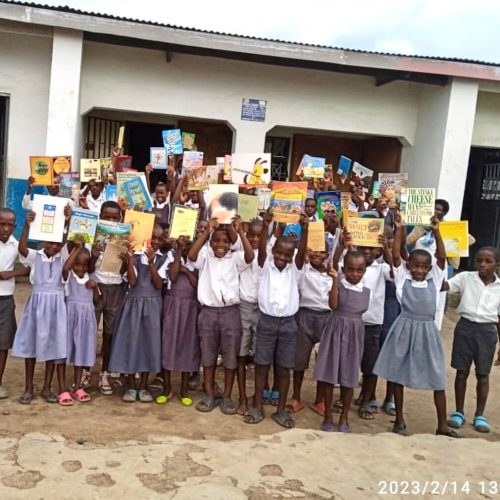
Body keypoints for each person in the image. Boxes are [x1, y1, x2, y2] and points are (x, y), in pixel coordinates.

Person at [373, 215, 458, 437]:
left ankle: (442, 425)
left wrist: (437, 231)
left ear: (431, 268)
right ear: (409, 266)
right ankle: (399, 419)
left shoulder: (436, 278)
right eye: (415, 266)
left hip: (427, 331)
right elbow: (396, 254)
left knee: (438, 377)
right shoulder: (403, 278)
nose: (419, 270)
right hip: (404, 329)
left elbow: (441, 256)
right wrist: (400, 228)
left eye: (424, 267)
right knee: (398, 374)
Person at [243, 212, 307, 429]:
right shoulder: (265, 267)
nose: (282, 258)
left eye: (287, 255)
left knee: (283, 368)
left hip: (288, 324)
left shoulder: (295, 270)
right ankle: (258, 406)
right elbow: (262, 250)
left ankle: (281, 410)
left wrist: (304, 228)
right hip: (267, 322)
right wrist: (267, 225)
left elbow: (301, 254)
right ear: (273, 252)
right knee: (261, 365)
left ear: (292, 256)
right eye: (278, 253)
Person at [188, 217, 254, 414]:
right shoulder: (205, 256)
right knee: (207, 356)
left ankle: (226, 396)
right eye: (216, 241)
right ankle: (209, 393)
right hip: (207, 313)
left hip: (230, 314)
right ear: (211, 242)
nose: (220, 245)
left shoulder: (235, 258)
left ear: (230, 244)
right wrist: (207, 232)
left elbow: (250, 256)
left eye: (225, 241)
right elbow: (191, 256)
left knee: (230, 357)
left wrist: (240, 232)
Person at [12, 211, 67, 405]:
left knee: (52, 346)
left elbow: (73, 242)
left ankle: (47, 387)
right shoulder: (36, 256)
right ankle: (28, 387)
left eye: (58, 243)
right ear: (43, 241)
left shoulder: (63, 257)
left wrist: (67, 220)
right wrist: (27, 226)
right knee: (31, 347)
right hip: (37, 306)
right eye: (50, 242)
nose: (54, 246)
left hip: (56, 307)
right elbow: (22, 248)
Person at [444, 246, 500, 434]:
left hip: (487, 332)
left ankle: (479, 415)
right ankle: (459, 412)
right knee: (461, 371)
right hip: (465, 328)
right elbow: (445, 286)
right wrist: (444, 258)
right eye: (479, 260)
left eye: (488, 261)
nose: (482, 264)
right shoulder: (465, 278)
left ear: (497, 265)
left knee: (483, 374)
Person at [108, 224, 166, 403]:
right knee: (131, 342)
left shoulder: (164, 258)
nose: (155, 241)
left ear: (164, 240)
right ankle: (131, 385)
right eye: (152, 237)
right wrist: (131, 259)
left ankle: (144, 386)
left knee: (149, 343)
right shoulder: (135, 256)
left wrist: (151, 264)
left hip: (153, 305)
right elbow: (132, 281)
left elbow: (158, 284)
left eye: (159, 238)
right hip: (133, 304)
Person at [314, 250, 370, 432]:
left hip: (354, 335)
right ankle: (328, 415)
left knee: (349, 376)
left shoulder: (366, 290)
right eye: (351, 270)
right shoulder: (338, 285)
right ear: (344, 269)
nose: (355, 274)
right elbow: (333, 305)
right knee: (329, 374)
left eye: (359, 270)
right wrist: (336, 280)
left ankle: (344, 416)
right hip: (334, 331)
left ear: (364, 271)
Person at [287, 246, 332, 414]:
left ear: (328, 254)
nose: (317, 254)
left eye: (322, 252)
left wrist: (343, 245)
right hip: (304, 316)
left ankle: (319, 400)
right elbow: (299, 261)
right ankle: (296, 397)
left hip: (326, 317)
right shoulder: (304, 270)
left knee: (323, 361)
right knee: (300, 360)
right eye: (314, 250)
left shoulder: (332, 272)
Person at [156, 235, 199, 406]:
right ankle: (167, 389)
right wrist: (179, 251)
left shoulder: (197, 262)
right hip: (172, 305)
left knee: (187, 346)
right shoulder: (171, 257)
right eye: (183, 245)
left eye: (189, 245)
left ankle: (184, 390)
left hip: (190, 308)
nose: (186, 248)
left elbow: (197, 285)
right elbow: (173, 276)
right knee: (168, 343)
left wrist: (187, 271)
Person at [89, 201, 126, 395]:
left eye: (115, 218)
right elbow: (85, 268)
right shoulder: (92, 236)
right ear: (100, 216)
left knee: (110, 334)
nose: (111, 221)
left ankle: (105, 373)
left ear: (120, 218)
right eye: (107, 217)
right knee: (90, 331)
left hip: (116, 288)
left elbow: (127, 271)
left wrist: (126, 257)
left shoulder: (125, 238)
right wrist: (94, 255)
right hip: (96, 287)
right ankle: (85, 371)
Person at [58, 240, 100, 404]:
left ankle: (77, 387)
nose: (80, 268)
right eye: (77, 264)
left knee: (81, 353)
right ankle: (62, 387)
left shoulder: (91, 278)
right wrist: (77, 248)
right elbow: (65, 268)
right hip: (70, 319)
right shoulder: (69, 277)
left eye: (84, 265)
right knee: (64, 352)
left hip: (86, 321)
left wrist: (95, 287)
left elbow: (97, 301)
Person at [0, 208, 29, 399]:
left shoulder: (15, 245)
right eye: (2, 224)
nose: (5, 228)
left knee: (2, 344)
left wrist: (12, 273)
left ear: (15, 227)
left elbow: (29, 268)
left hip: (6, 299)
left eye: (10, 225)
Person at [236, 220, 262, 415]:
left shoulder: (270, 255)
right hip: (244, 307)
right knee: (241, 355)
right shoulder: (240, 252)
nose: (254, 239)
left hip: (262, 309)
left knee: (261, 357)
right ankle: (242, 397)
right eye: (250, 234)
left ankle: (258, 397)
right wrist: (239, 231)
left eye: (258, 235)